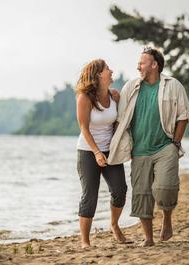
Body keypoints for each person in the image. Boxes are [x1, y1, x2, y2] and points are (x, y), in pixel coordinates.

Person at [108, 47, 189, 247]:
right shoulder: (131, 87)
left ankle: (167, 220)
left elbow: (184, 116)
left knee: (165, 188)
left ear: (155, 65)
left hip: (165, 147)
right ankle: (148, 238)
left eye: (142, 63)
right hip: (139, 150)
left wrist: (175, 143)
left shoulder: (173, 86)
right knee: (142, 194)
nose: (138, 66)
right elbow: (120, 118)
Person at [75, 59, 128, 248]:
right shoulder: (85, 97)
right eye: (107, 69)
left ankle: (114, 225)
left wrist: (119, 145)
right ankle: (85, 241)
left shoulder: (115, 95)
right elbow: (84, 128)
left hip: (110, 151)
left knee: (120, 190)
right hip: (88, 151)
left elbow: (116, 123)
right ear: (98, 75)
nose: (111, 71)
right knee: (90, 196)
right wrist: (97, 152)